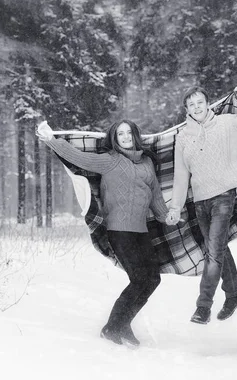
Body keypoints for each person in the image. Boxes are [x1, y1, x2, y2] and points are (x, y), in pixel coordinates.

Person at [37, 119, 169, 347]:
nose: (125, 137)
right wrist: (52, 141)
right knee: (139, 280)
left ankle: (122, 324)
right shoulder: (110, 161)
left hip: (142, 231)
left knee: (152, 279)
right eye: (121, 134)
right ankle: (112, 327)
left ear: (135, 135)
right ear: (115, 138)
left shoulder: (147, 162)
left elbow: (156, 197)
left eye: (129, 133)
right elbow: (78, 157)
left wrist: (167, 217)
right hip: (119, 231)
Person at [165, 86, 237, 324]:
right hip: (200, 202)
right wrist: (174, 207)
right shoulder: (182, 138)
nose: (196, 107)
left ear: (207, 103)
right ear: (186, 109)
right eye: (191, 105)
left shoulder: (228, 124)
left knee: (213, 254)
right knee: (218, 250)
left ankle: (203, 306)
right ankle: (234, 295)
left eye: (200, 102)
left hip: (224, 196)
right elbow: (182, 178)